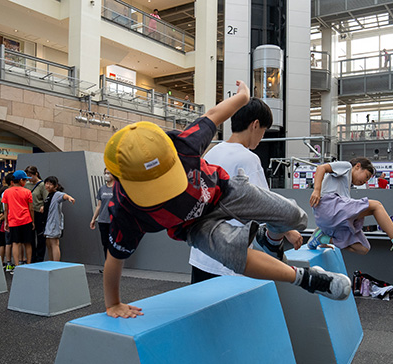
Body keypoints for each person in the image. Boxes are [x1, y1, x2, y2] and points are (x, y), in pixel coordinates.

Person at [103, 80, 351, 319]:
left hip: (225, 191)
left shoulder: (184, 144)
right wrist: (113, 303)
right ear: (122, 180)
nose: (166, 192)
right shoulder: (125, 209)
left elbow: (214, 114)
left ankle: (271, 240)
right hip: (194, 226)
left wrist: (242, 97)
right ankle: (308, 279)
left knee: (294, 215)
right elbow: (114, 259)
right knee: (234, 255)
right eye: (154, 189)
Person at [188, 97, 303, 283]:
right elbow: (267, 207)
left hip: (201, 252)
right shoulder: (248, 159)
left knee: (204, 310)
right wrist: (288, 230)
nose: (262, 137)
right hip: (229, 258)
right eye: (264, 131)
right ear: (255, 124)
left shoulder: (212, 152)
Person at [307, 158, 393, 256]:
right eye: (366, 177)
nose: (364, 182)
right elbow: (321, 168)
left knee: (363, 248)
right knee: (376, 205)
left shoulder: (345, 187)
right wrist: (317, 190)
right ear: (358, 166)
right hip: (327, 207)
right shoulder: (347, 166)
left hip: (328, 219)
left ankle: (322, 238)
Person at [2, 170, 34, 274]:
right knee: (27, 243)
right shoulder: (27, 192)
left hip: (13, 221)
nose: (25, 182)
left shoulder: (7, 192)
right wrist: (32, 221)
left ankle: (16, 266)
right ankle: (28, 264)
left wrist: (6, 221)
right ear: (21, 180)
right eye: (25, 180)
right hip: (26, 220)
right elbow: (31, 208)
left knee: (15, 243)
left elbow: (6, 209)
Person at [42, 176, 75, 262]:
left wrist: (69, 198)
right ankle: (51, 261)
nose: (48, 186)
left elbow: (64, 196)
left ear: (55, 186)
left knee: (54, 244)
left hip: (54, 223)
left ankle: (56, 263)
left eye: (50, 184)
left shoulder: (57, 194)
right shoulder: (49, 195)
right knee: (49, 244)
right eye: (46, 183)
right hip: (48, 223)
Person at [90, 168, 115, 268]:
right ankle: (107, 265)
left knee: (113, 244)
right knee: (105, 244)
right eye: (105, 173)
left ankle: (114, 266)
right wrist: (93, 219)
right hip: (103, 220)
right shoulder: (102, 189)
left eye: (109, 173)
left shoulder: (118, 188)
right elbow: (99, 206)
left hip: (114, 221)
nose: (106, 175)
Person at [24, 166, 48, 262]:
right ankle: (32, 257)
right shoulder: (27, 185)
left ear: (36, 174)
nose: (29, 178)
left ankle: (40, 257)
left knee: (40, 236)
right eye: (27, 176)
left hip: (38, 212)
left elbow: (46, 198)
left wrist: (43, 206)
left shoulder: (42, 185)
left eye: (30, 176)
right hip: (28, 212)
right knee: (30, 237)